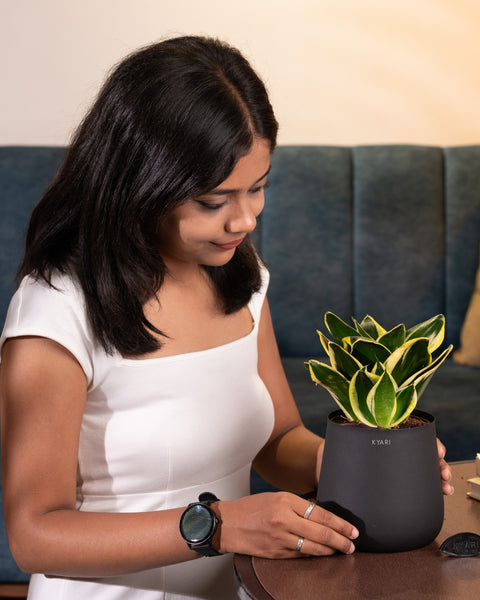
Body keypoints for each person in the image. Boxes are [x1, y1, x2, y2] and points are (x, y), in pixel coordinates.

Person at [0, 36, 452, 600]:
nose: (244, 220)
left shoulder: (240, 278)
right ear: (140, 185)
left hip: (240, 588)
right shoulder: (57, 312)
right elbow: (34, 535)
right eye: (214, 201)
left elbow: (277, 438)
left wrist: (365, 462)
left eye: (258, 188)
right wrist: (217, 526)